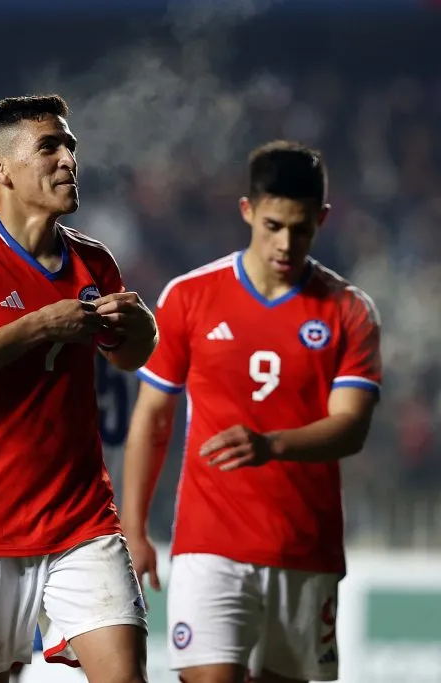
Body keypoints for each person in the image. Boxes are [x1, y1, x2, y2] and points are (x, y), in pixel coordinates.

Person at [0, 94, 156, 683]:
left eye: (70, 146)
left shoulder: (96, 263)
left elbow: (128, 358)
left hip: (82, 522)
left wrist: (142, 330)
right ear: (1, 169)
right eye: (49, 147)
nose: (68, 159)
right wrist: (40, 325)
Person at [121, 141, 382, 683]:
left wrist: (272, 444)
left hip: (303, 550)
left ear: (322, 220)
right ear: (247, 211)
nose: (286, 243)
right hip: (208, 545)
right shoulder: (189, 297)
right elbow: (153, 417)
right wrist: (135, 526)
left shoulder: (349, 311)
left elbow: (351, 427)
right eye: (273, 225)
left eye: (302, 229)